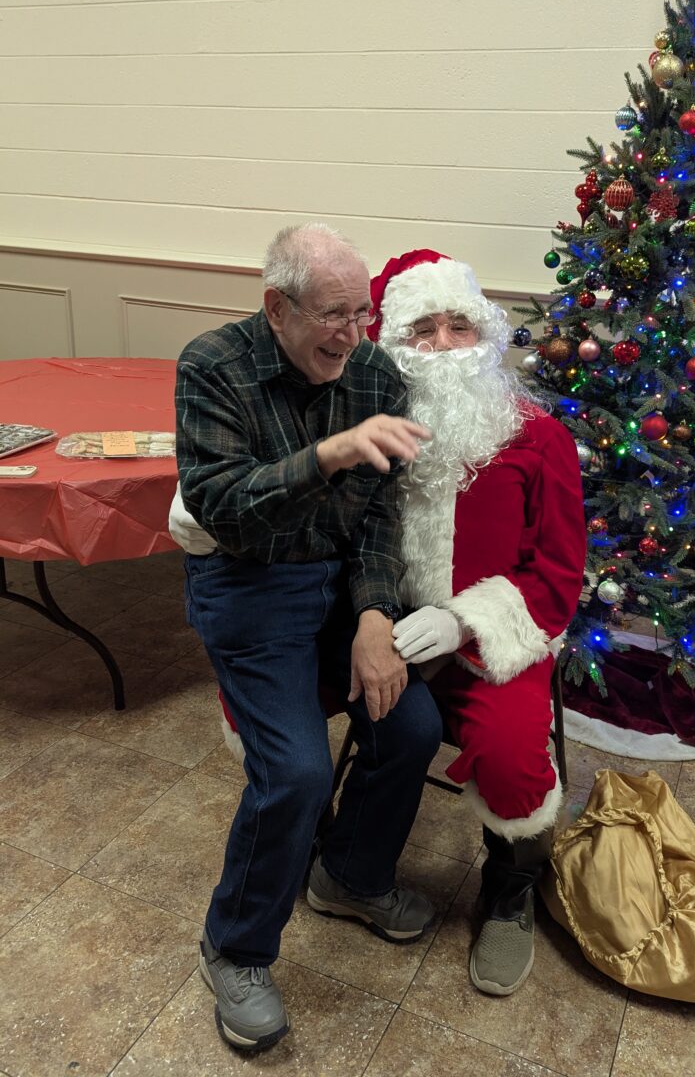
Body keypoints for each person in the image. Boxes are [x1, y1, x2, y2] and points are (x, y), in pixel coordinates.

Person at [173, 223, 443, 1053]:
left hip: (341, 585)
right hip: (249, 584)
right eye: (333, 314)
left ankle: (349, 876)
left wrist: (374, 616)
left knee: (411, 727)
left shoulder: (375, 373)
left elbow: (381, 513)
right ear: (276, 307)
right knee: (295, 772)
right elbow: (223, 506)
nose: (351, 334)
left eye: (362, 314)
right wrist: (327, 454)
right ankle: (235, 947)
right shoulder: (212, 366)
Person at [367, 250, 587, 997]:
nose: (443, 344)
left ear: (485, 334)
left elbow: (558, 575)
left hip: (493, 642)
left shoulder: (539, 438)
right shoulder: (367, 429)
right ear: (393, 343)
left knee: (510, 753)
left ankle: (509, 890)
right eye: (422, 329)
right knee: (289, 695)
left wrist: (464, 622)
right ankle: (340, 854)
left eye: (459, 325)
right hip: (383, 627)